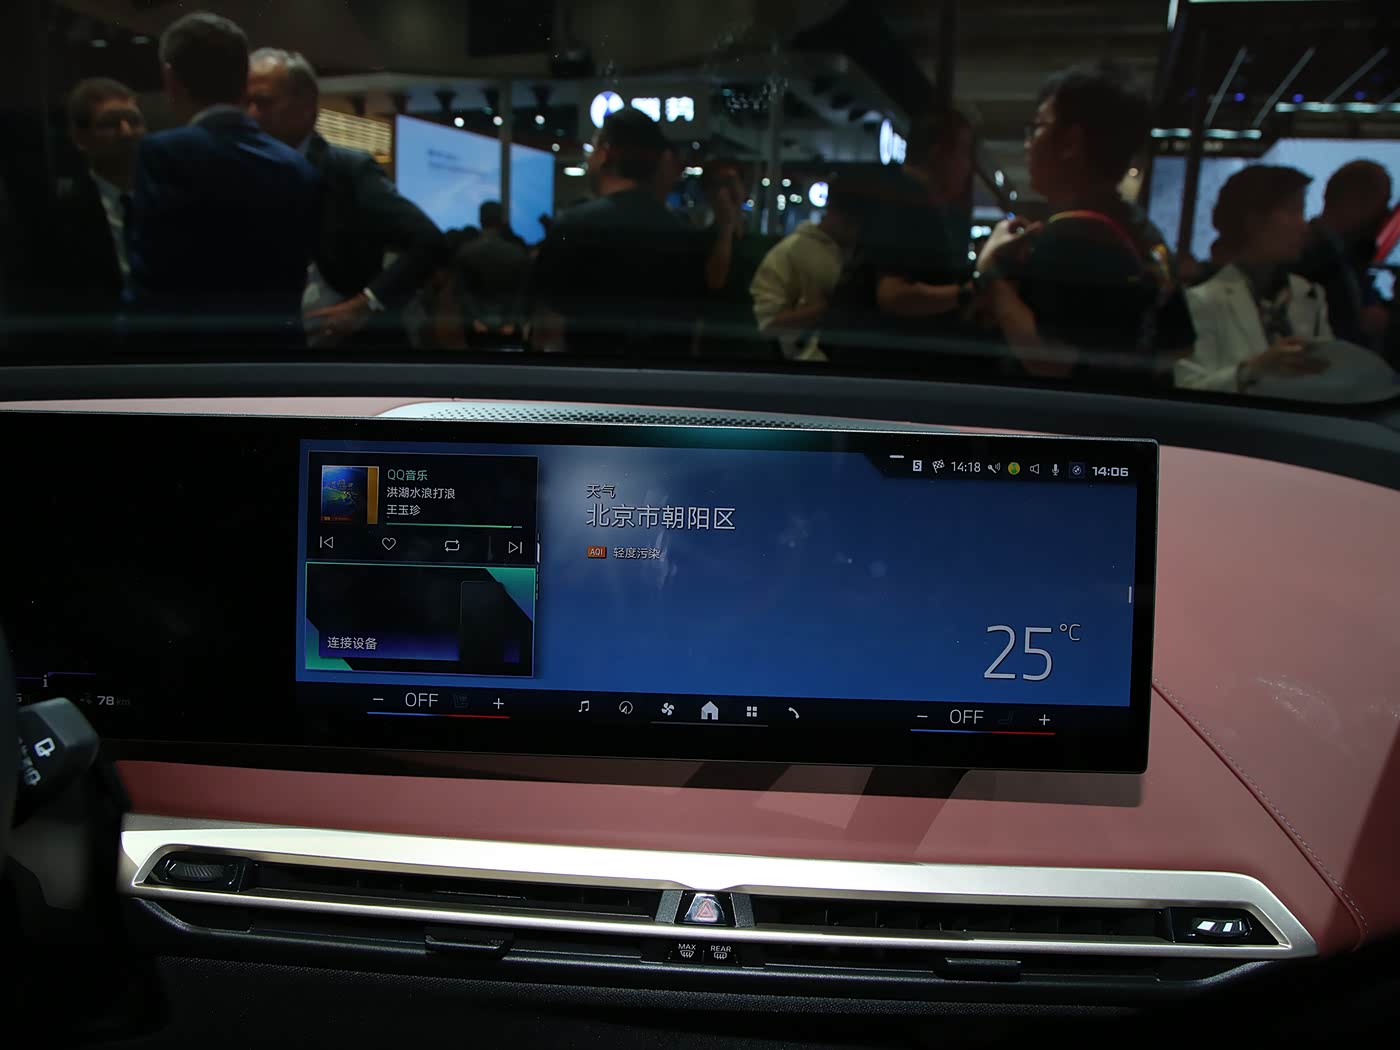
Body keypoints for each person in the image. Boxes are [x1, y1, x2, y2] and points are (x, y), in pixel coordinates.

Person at [978, 60, 1194, 389]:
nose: (1028, 143)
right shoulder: (1146, 232)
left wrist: (990, 273)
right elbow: (1180, 346)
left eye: (1038, 127)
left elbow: (1048, 361)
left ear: (1071, 143)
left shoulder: (1068, 235)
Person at [127, 12, 320, 346]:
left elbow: (153, 276)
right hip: (276, 354)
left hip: (189, 357)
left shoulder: (164, 153)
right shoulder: (296, 167)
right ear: (244, 79)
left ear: (171, 79)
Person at [246, 47, 444, 348]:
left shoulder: (348, 169)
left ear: (307, 108)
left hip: (350, 352)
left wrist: (366, 305)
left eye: (264, 102)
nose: (251, 115)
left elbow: (428, 241)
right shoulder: (245, 171)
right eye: (244, 103)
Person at [530, 107, 704, 356]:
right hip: (662, 373)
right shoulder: (682, 232)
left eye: (592, 148)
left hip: (588, 370)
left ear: (605, 152)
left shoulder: (573, 225)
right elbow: (693, 326)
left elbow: (548, 328)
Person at [825, 109, 979, 370]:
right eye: (964, 152)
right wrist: (970, 293)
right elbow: (894, 295)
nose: (968, 166)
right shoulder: (907, 201)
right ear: (939, 153)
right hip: (877, 368)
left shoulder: (904, 194)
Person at [1175, 166, 1334, 393]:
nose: (1304, 226)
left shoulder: (1309, 295)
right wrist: (1253, 370)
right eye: (1293, 211)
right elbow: (1188, 390)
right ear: (1255, 221)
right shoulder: (1201, 299)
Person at [45, 79, 146, 335]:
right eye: (110, 123)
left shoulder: (169, 199)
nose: (126, 132)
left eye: (134, 121)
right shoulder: (60, 214)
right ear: (80, 137)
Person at [749, 180, 863, 361]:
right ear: (834, 211)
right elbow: (768, 325)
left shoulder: (858, 253)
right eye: (851, 221)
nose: (855, 230)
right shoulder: (790, 252)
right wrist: (827, 309)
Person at [1296, 159, 1393, 349]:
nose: (1383, 215)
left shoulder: (1348, 255)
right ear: (1358, 202)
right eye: (1382, 204)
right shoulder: (1313, 257)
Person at [452, 200, 531, 348]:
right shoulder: (517, 253)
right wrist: (512, 321)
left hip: (477, 326)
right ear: (501, 220)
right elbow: (523, 291)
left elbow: (463, 291)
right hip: (509, 325)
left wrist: (474, 319)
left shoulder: (466, 252)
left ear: (480, 220)